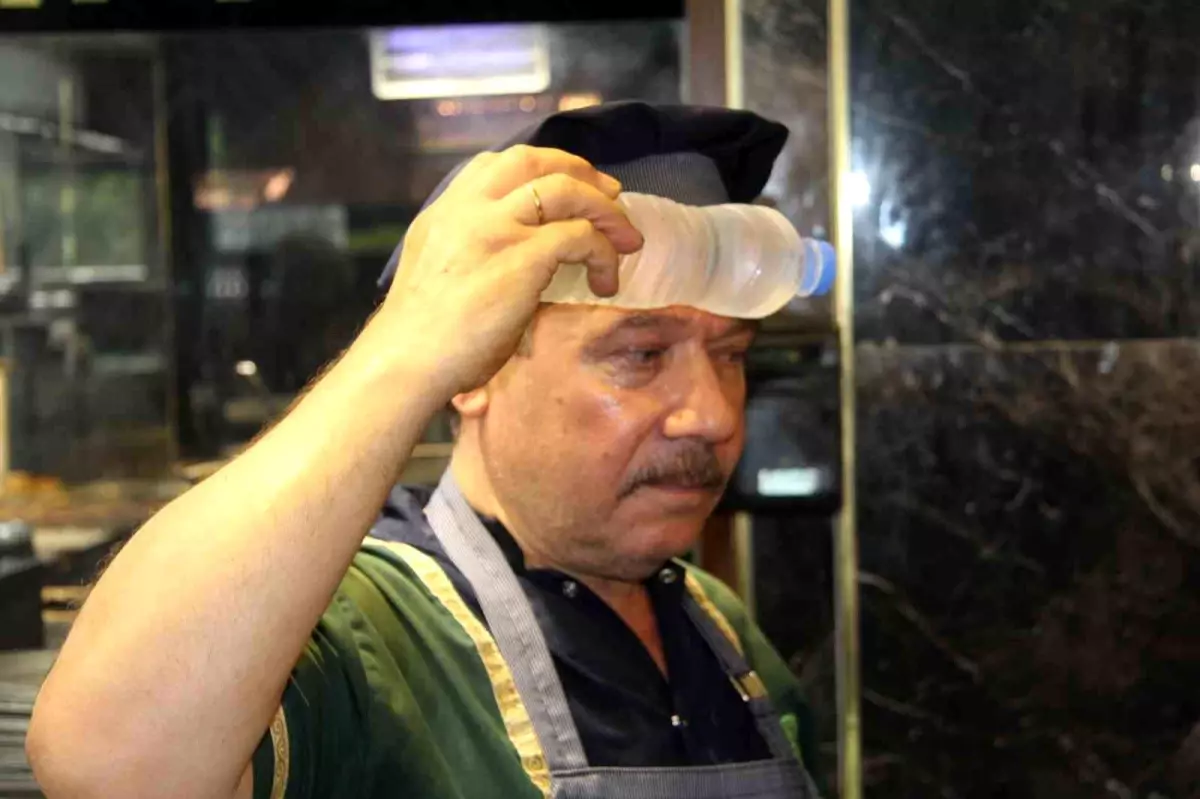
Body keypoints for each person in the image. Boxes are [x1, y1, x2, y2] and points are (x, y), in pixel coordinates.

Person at [26, 102, 821, 799]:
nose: (711, 414)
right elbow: (108, 766)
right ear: (477, 373)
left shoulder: (722, 630)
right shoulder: (366, 633)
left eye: (731, 354)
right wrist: (406, 348)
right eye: (640, 355)